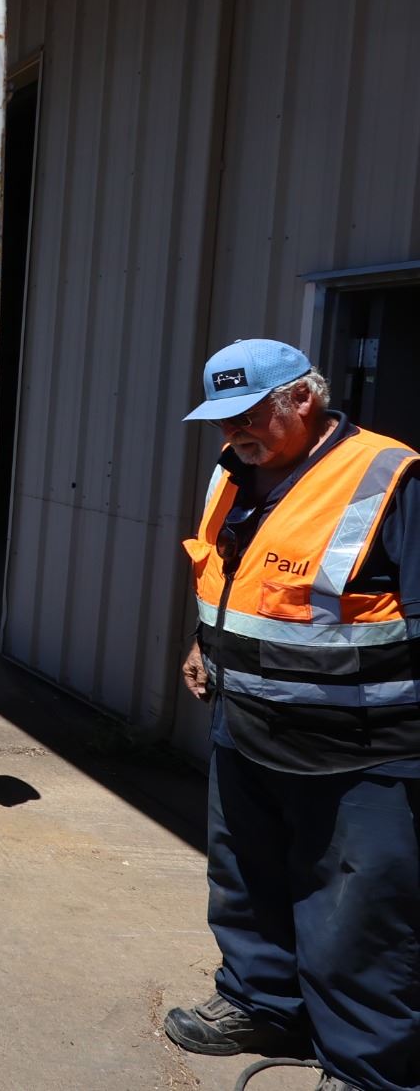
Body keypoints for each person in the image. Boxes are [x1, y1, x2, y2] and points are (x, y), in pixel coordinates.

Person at [164, 338, 420, 1091]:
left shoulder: (389, 478)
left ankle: (367, 1068)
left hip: (362, 747)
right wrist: (203, 645)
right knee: (245, 882)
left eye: (247, 415)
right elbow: (236, 579)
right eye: (221, 420)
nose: (231, 433)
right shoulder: (232, 472)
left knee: (358, 913)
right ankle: (262, 1004)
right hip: (245, 725)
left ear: (303, 399)